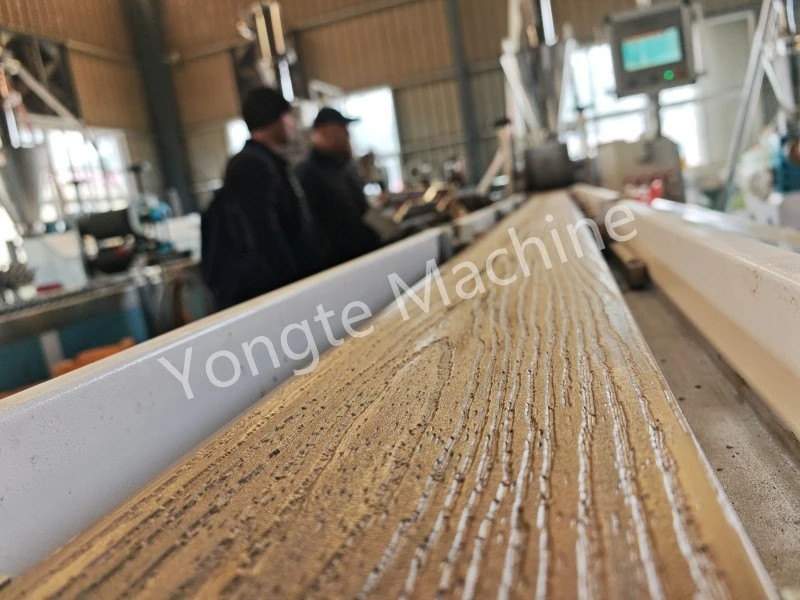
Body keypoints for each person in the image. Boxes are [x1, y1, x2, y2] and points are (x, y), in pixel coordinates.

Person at [201, 87, 326, 310]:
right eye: (287, 116)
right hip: (274, 299)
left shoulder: (266, 162)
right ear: (273, 119)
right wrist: (294, 297)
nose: (292, 123)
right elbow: (264, 241)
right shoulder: (251, 166)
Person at [296, 108, 381, 268]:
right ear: (323, 131)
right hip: (338, 265)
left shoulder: (346, 167)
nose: (347, 134)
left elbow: (361, 211)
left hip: (364, 257)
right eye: (341, 129)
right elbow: (314, 231)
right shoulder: (307, 174)